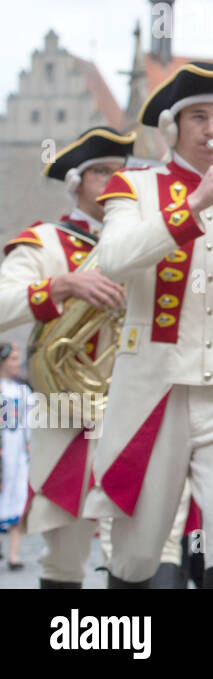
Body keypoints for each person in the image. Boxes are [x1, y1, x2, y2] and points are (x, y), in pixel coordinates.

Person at [88, 63, 213, 588]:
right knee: (137, 551)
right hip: (155, 391)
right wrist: (192, 205)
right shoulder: (135, 186)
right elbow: (116, 257)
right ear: (173, 127)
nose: (211, 129)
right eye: (198, 117)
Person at [0, 127, 134, 586]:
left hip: (135, 405)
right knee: (65, 551)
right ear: (75, 182)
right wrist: (59, 285)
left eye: (121, 172)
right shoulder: (46, 242)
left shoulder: (142, 242)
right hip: (66, 410)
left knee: (137, 549)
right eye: (101, 172)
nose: (114, 181)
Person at [1, 343, 32, 569]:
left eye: (18, 358)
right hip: (2, 451)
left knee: (19, 496)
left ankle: (13, 555)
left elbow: (31, 423)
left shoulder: (24, 390)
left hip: (18, 452)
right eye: (12, 358)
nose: (16, 363)